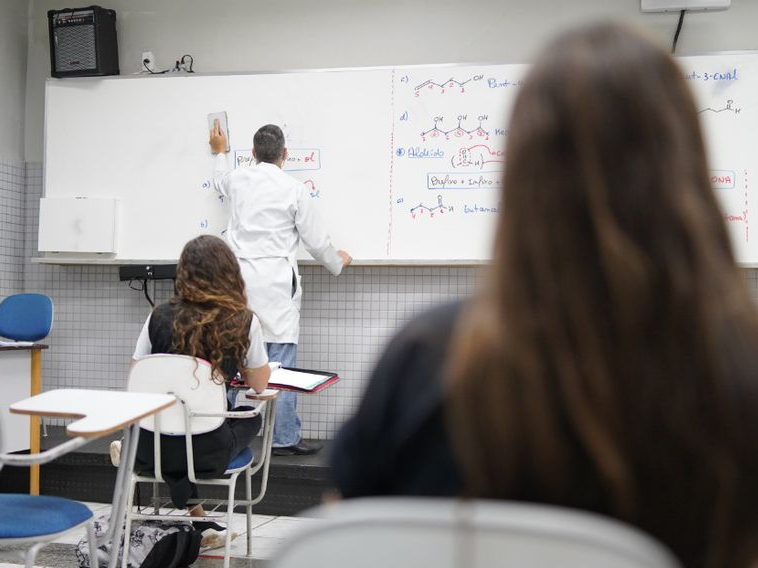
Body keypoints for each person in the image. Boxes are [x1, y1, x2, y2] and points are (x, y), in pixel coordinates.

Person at [331, 21, 758, 568]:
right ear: (686, 174)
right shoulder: (739, 374)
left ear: (521, 177)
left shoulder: (428, 359)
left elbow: (347, 536)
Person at [209, 122, 351, 456]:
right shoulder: (294, 189)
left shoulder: (238, 178)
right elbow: (317, 242)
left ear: (253, 154)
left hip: (239, 282)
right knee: (281, 363)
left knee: (231, 354)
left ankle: (218, 429)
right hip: (276, 283)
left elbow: (218, 180)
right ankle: (284, 437)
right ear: (285, 154)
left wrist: (219, 152)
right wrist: (338, 262)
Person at [130, 235, 271, 546]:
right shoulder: (242, 320)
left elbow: (137, 373)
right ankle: (202, 522)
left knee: (179, 424)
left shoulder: (157, 315)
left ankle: (200, 520)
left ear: (184, 272)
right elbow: (260, 384)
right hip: (207, 453)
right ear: (230, 273)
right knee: (250, 417)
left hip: (149, 448)